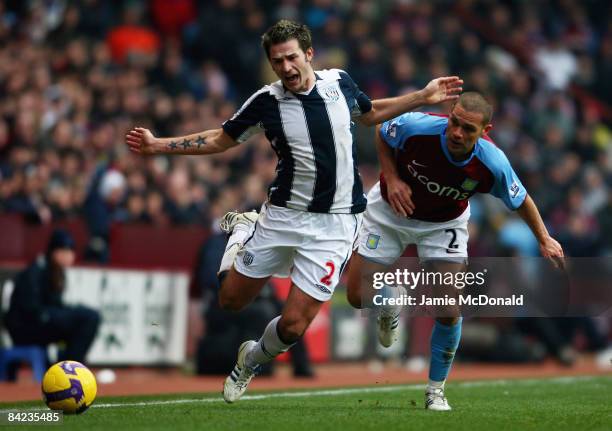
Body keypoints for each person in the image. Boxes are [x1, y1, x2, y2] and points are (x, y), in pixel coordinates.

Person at [125, 19, 462, 403]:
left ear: (309, 55)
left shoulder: (339, 83)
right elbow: (220, 139)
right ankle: (242, 232)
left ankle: (250, 360)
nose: (285, 68)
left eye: (290, 58)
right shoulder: (266, 102)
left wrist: (422, 95)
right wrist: (158, 146)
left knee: (294, 325)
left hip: (336, 224)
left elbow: (369, 114)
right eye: (276, 61)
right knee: (231, 301)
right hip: (282, 217)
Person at [346, 92, 565, 411]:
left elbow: (521, 200)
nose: (457, 133)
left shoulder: (492, 162)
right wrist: (392, 177)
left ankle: (435, 390)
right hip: (390, 211)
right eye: (455, 123)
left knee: (449, 308)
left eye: (468, 129)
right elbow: (382, 128)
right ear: (449, 114)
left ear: (485, 130)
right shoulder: (419, 127)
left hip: (442, 224)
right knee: (356, 296)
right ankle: (391, 301)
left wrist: (545, 239)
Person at [5, 229, 101, 365]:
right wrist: (60, 316)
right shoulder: (36, 270)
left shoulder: (56, 272)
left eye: (71, 252)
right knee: (88, 318)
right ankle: (69, 368)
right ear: (54, 252)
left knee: (86, 318)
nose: (69, 256)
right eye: (65, 251)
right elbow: (31, 309)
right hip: (26, 327)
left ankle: (68, 365)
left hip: (42, 321)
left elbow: (55, 304)